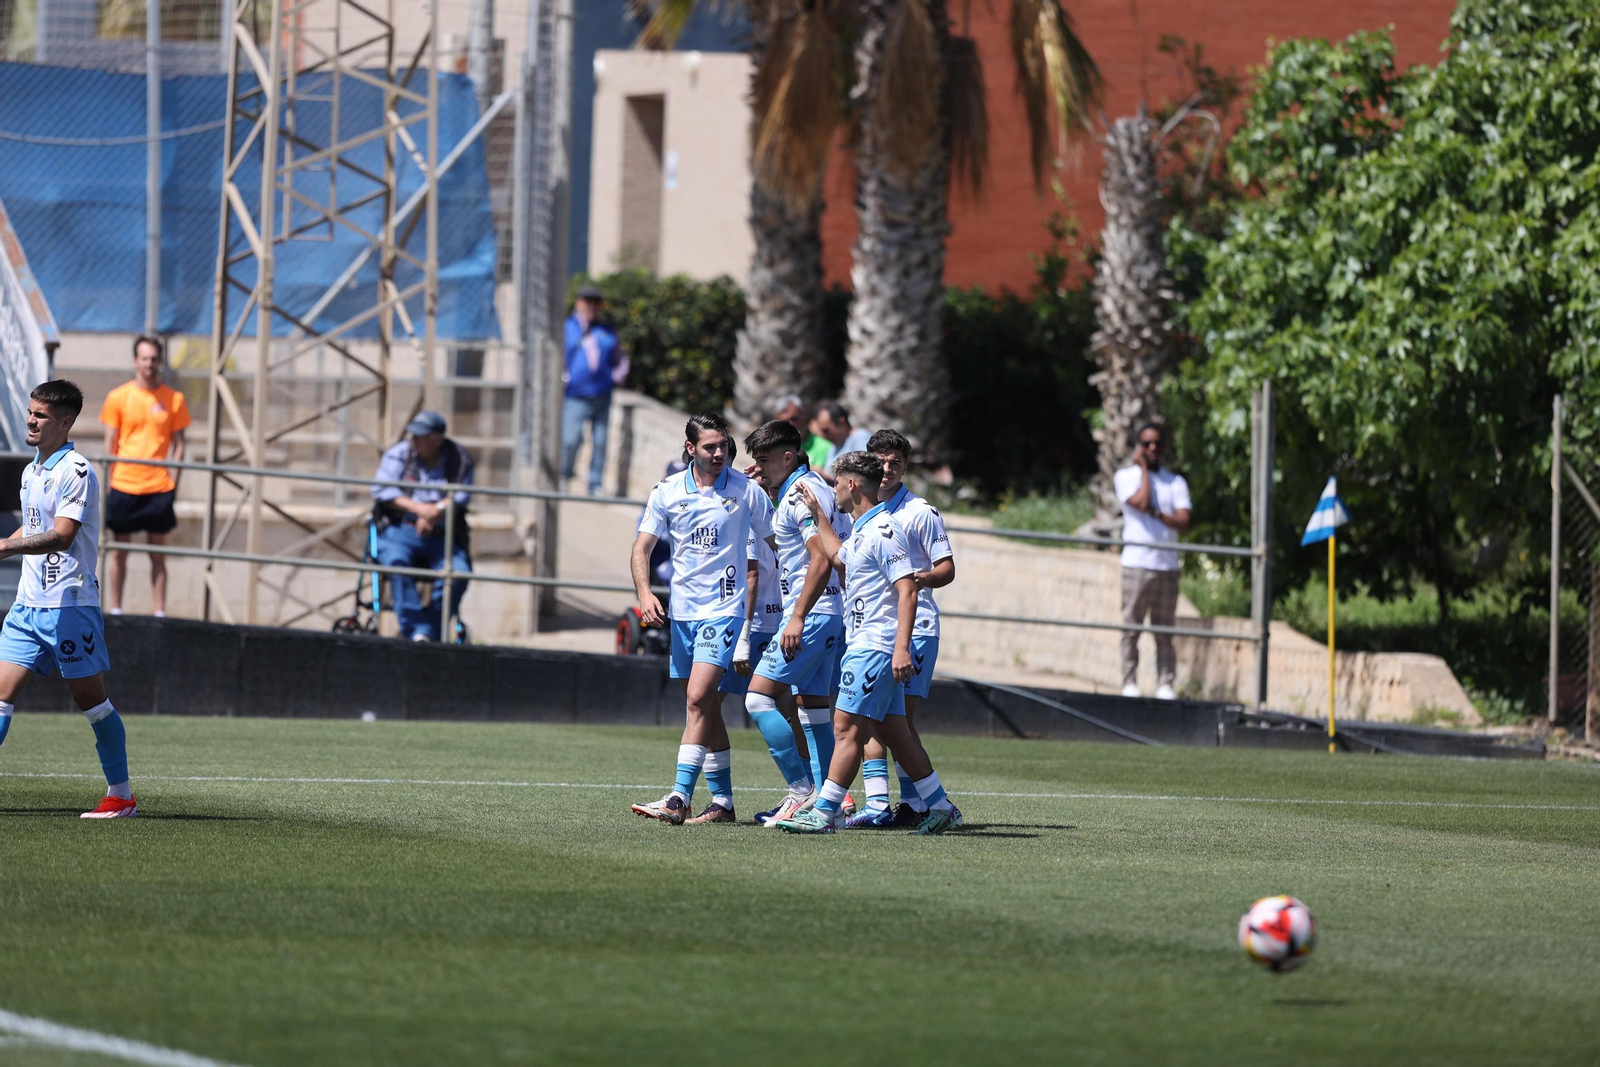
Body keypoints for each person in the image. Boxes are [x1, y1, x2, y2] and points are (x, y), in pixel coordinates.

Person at [774, 452, 962, 835]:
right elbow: (840, 559)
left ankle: (825, 811)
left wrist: (901, 648)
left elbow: (907, 590)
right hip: (867, 643)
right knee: (894, 730)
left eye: (837, 483)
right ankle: (941, 807)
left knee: (846, 728)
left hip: (875, 646)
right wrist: (817, 515)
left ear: (852, 485)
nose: (833, 490)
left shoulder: (884, 531)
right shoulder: (863, 528)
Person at [0, 380, 138, 818]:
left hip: (70, 607)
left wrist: (5, 548)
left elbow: (61, 536)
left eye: (41, 415)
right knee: (0, 696)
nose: (31, 420)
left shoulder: (76, 470)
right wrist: (7, 539)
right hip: (27, 607)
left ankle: (121, 796)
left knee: (92, 704)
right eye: (31, 412)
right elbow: (34, 525)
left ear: (65, 421)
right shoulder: (31, 470)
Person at [629, 412, 771, 826]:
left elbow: (779, 542)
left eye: (725, 445)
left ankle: (678, 798)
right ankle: (724, 802)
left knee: (697, 699)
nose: (720, 453)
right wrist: (644, 595)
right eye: (710, 447)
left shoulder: (747, 491)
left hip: (725, 612)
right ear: (690, 448)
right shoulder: (667, 491)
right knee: (706, 706)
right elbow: (641, 549)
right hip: (683, 613)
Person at [742, 418, 855, 826]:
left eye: (766, 460)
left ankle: (800, 791)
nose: (761, 467)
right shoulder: (812, 488)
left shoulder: (798, 497)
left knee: (758, 698)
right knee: (812, 710)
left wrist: (797, 617)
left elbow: (820, 558)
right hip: (832, 613)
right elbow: (790, 546)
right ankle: (832, 804)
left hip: (812, 614)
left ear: (788, 457)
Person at [846, 428, 955, 828]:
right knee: (881, 719)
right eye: (881, 462)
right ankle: (895, 804)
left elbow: (947, 568)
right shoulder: (861, 510)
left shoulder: (919, 512)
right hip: (875, 629)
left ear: (906, 467)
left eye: (896, 463)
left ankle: (914, 803)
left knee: (894, 721)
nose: (888, 469)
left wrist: (911, 581)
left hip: (917, 628)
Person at [719, 458, 811, 819]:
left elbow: (751, 577)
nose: (752, 474)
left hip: (755, 624)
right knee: (795, 708)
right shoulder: (780, 511)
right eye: (749, 470)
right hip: (780, 622)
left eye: (759, 469)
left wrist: (741, 637)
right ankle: (817, 788)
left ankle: (721, 799)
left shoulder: (753, 513)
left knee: (706, 702)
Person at [100, 335, 190, 618]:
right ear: (135, 361)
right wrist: (108, 483)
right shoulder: (118, 397)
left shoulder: (174, 399)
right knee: (119, 551)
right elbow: (110, 442)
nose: (149, 364)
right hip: (124, 484)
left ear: (160, 362)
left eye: (154, 358)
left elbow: (180, 444)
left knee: (157, 553)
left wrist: (173, 481)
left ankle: (159, 612)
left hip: (158, 487)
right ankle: (115, 608)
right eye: (144, 358)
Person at [370, 411, 474, 642]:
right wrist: (419, 509)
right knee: (397, 564)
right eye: (413, 435)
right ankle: (417, 631)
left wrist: (436, 511)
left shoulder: (459, 458)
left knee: (459, 573)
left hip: (442, 535)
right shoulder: (400, 454)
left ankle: (427, 632)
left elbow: (460, 495)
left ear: (437, 439)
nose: (414, 440)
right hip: (400, 529)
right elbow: (381, 490)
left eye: (421, 436)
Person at [1114, 422, 1192, 699]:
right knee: (1131, 628)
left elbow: (1183, 520)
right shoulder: (1126, 476)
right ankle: (1129, 682)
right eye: (1147, 444)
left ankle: (1165, 684)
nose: (1152, 448)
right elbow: (1140, 500)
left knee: (1164, 632)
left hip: (1167, 567)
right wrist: (1144, 471)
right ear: (1139, 446)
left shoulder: (1176, 482)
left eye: (1157, 443)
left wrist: (1157, 514)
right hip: (1137, 564)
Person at [561, 285, 628, 496]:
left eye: (595, 302)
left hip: (602, 394)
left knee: (600, 442)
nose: (591, 306)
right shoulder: (568, 327)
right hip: (575, 395)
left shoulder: (606, 331)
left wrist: (617, 375)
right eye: (586, 301)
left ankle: (594, 484)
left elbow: (620, 358)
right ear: (577, 303)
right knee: (570, 439)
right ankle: (564, 476)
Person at [810, 400, 870, 480]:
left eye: (826, 430)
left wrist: (824, 476)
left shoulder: (860, 437)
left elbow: (865, 473)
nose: (824, 436)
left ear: (842, 423)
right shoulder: (833, 447)